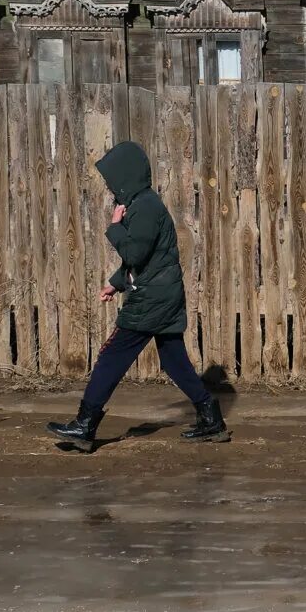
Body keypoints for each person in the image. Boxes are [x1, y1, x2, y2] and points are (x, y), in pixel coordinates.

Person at [47, 141, 229, 453]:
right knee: (173, 360)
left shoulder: (145, 207)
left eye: (111, 180)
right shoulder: (144, 204)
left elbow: (135, 251)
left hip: (152, 299)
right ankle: (211, 419)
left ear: (126, 177)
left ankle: (84, 424)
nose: (109, 187)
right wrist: (116, 283)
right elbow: (150, 258)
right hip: (164, 292)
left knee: (111, 358)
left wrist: (114, 227)